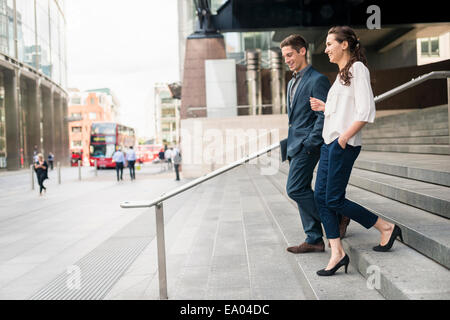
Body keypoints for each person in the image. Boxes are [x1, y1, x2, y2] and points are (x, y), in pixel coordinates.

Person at [310, 26, 402, 277]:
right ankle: (337, 253)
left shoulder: (358, 69)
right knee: (321, 198)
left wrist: (344, 137)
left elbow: (365, 111)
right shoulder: (342, 74)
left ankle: (385, 227)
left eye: (330, 44)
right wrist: (325, 107)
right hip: (330, 144)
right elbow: (344, 111)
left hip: (343, 145)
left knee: (334, 199)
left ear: (344, 45)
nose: (326, 49)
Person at [279, 34, 332, 254]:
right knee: (301, 188)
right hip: (294, 144)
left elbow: (323, 114)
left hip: (307, 145)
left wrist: (311, 143)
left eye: (290, 54)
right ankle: (314, 238)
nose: (287, 60)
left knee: (294, 189)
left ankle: (336, 217)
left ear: (302, 51)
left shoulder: (317, 80)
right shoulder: (292, 82)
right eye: (284, 56)